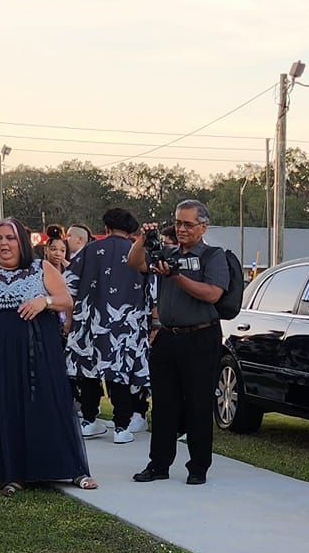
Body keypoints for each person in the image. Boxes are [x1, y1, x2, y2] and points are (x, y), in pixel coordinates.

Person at [0, 217, 95, 493]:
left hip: (37, 345)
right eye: (0, 238)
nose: (4, 244)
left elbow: (67, 300)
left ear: (23, 243)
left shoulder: (42, 268)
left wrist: (45, 301)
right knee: (4, 402)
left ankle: (69, 468)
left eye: (11, 238)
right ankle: (13, 471)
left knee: (47, 400)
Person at [127, 199, 226, 486]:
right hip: (168, 336)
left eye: (188, 224)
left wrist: (177, 276)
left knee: (197, 403)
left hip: (201, 336)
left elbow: (212, 294)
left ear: (203, 226)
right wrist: (143, 240)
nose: (181, 229)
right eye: (178, 223)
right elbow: (134, 263)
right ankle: (158, 464)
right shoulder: (165, 253)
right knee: (164, 405)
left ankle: (198, 467)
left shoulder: (212, 256)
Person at [68, 206, 152, 444]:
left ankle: (89, 420)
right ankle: (121, 427)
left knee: (89, 370)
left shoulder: (90, 250)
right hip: (127, 323)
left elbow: (69, 285)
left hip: (90, 322)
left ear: (106, 227)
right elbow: (153, 290)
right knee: (121, 373)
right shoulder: (140, 253)